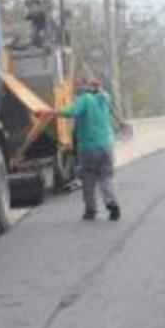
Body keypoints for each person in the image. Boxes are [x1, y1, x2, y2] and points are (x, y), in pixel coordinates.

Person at [38, 76, 121, 221]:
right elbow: (102, 93)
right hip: (106, 146)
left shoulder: (84, 99)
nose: (77, 88)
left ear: (85, 87)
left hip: (89, 148)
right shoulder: (105, 97)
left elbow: (72, 112)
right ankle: (112, 205)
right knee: (106, 177)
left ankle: (91, 211)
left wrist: (49, 112)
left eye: (79, 84)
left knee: (88, 179)